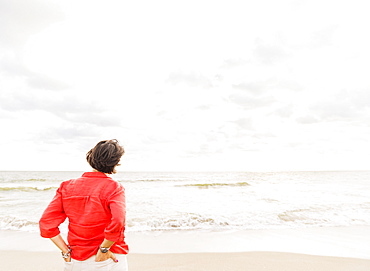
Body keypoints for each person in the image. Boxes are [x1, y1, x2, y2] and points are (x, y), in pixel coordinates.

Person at [39, 139, 129, 270]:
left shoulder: (67, 186)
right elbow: (118, 221)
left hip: (75, 259)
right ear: (116, 162)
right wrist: (104, 249)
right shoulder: (114, 187)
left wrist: (65, 251)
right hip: (107, 257)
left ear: (91, 157)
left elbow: (46, 223)